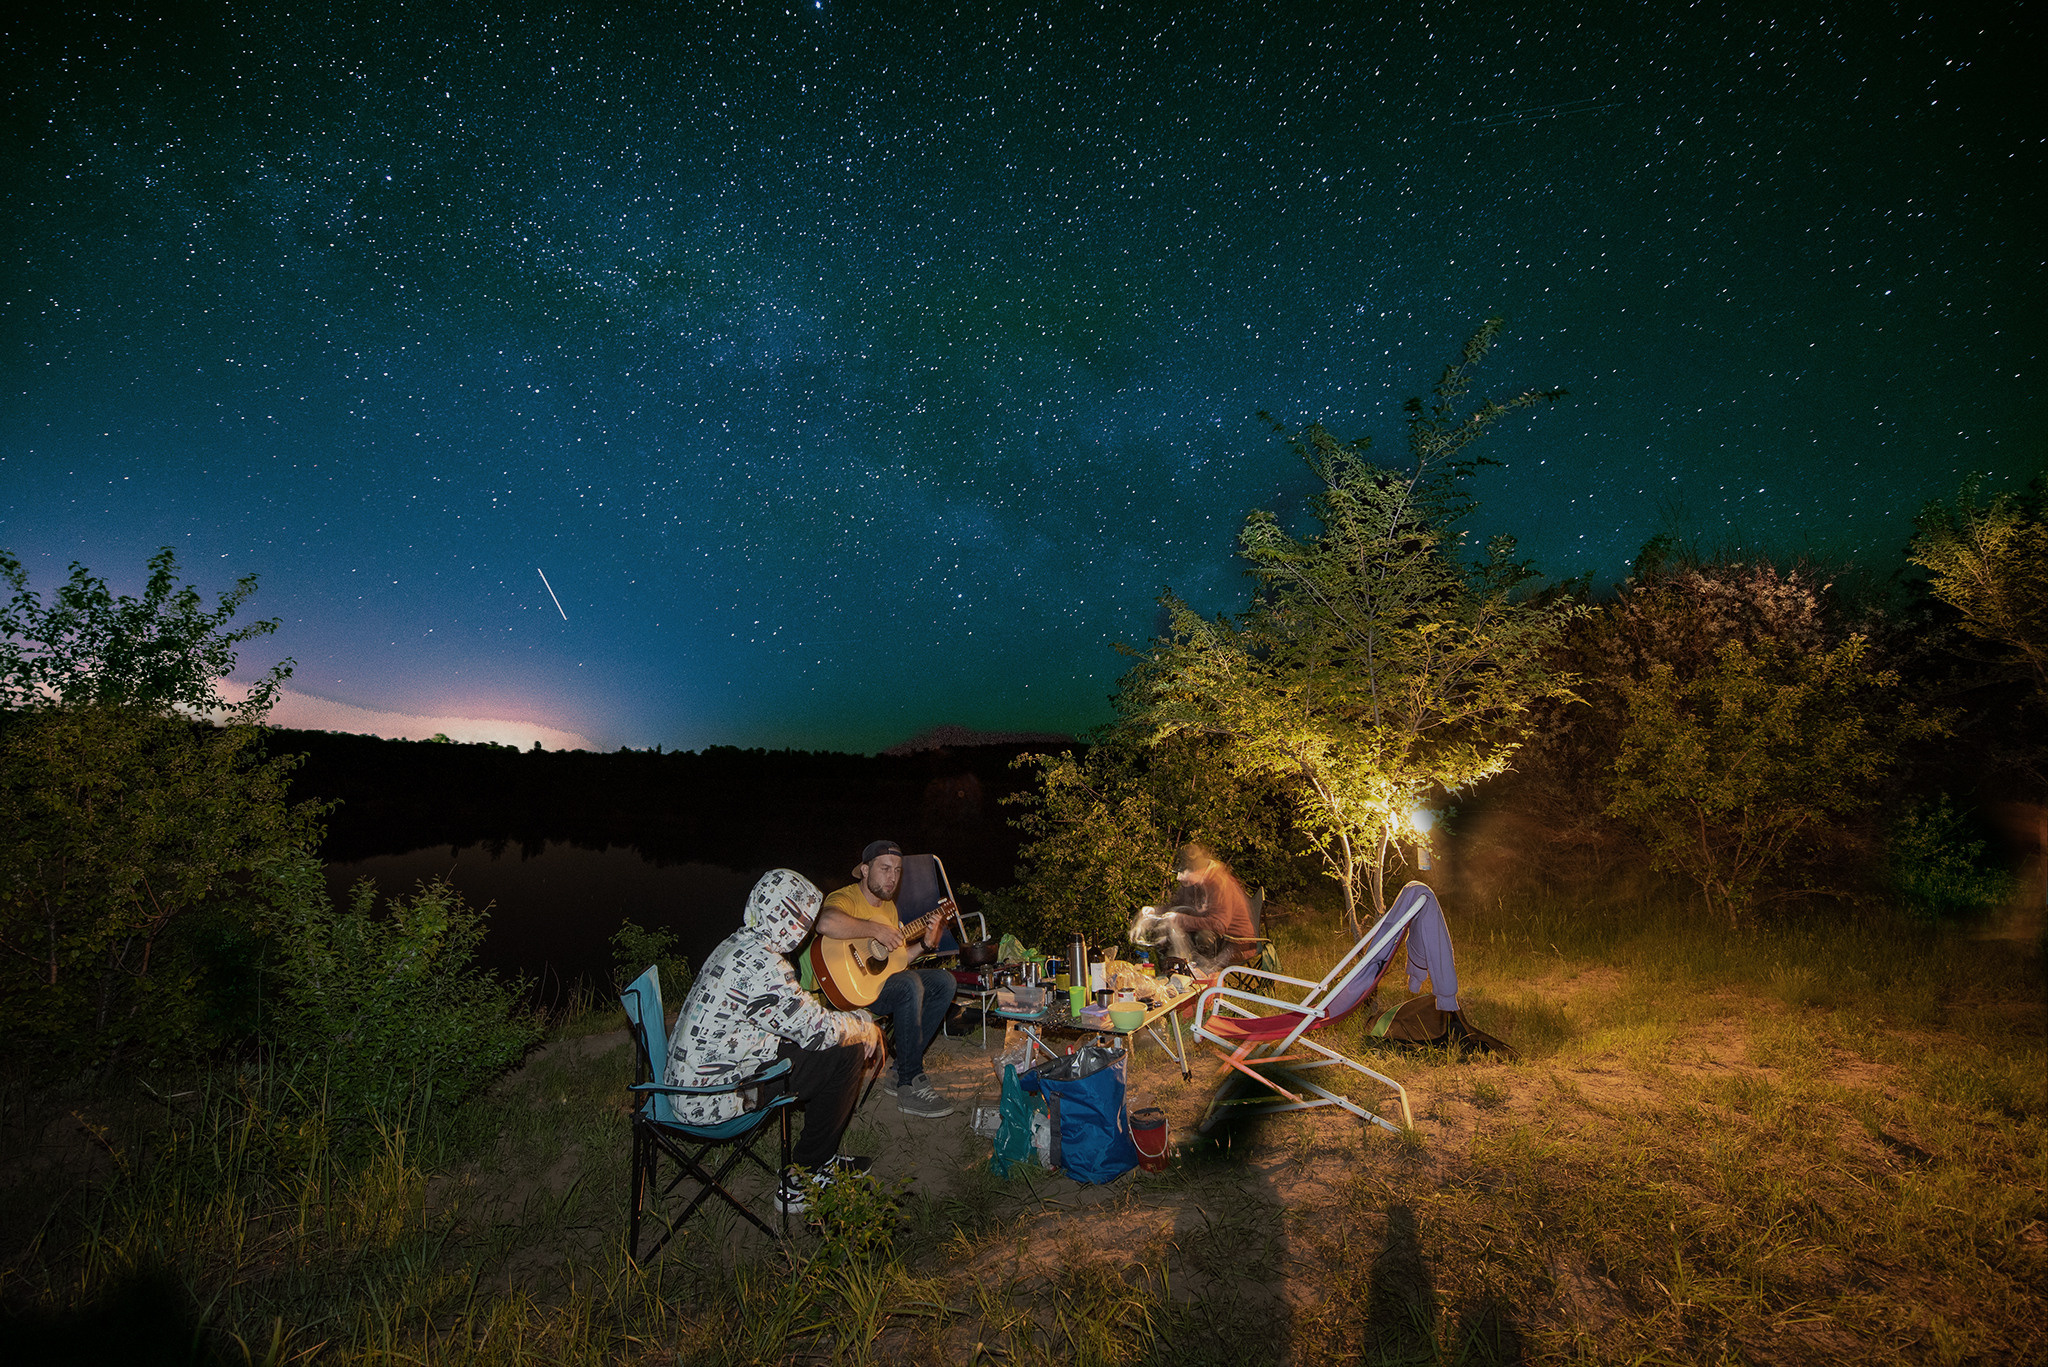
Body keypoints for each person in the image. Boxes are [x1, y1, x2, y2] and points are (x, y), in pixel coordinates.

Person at [664, 868, 888, 1213]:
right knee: (847, 1051)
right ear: (788, 918)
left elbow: (791, 1006)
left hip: (688, 1082)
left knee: (826, 1044)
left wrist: (841, 1019)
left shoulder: (740, 943)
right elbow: (816, 1031)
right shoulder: (764, 967)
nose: (805, 929)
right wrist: (863, 1025)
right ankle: (804, 1179)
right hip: (713, 1097)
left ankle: (818, 1159)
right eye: (801, 918)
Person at [813, 840, 957, 1118]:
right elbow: (825, 923)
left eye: (898, 870)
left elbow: (896, 961)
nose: (892, 877)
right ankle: (909, 1082)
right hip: (849, 987)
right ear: (865, 870)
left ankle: (899, 1069)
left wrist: (925, 944)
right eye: (885, 869)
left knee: (944, 981)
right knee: (909, 984)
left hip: (880, 985)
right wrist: (875, 929)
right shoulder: (845, 897)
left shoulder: (889, 908)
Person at [1148, 842, 1258, 975]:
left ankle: (1202, 979)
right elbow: (1175, 905)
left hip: (1235, 944)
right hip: (1217, 938)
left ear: (1197, 870)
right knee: (1162, 930)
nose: (1178, 877)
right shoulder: (1193, 883)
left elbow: (1218, 925)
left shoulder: (1219, 883)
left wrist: (1180, 920)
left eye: (1182, 872)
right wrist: (1154, 911)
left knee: (1203, 936)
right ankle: (1171, 976)